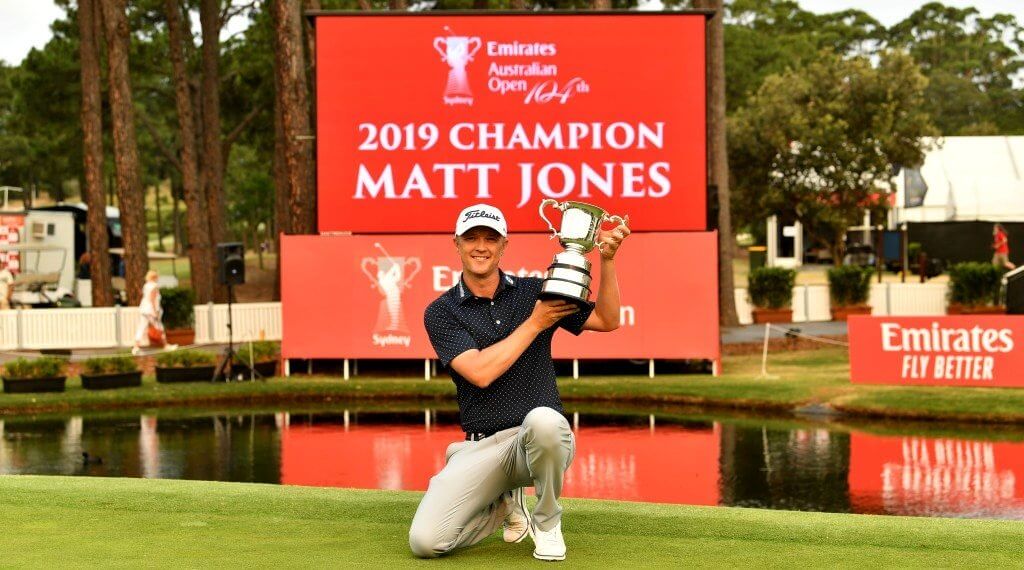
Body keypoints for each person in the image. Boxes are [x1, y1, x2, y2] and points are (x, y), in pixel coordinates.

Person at [409, 203, 629, 562]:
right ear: (457, 244)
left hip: (537, 442)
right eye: (472, 238)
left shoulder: (534, 292)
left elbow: (607, 319)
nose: (481, 246)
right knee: (426, 542)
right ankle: (502, 507)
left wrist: (607, 260)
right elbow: (480, 373)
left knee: (544, 420)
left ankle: (547, 522)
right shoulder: (442, 311)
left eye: (490, 238)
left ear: (504, 245)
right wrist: (536, 323)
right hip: (484, 448)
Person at [131, 270, 177, 355]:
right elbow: (152, 300)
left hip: (144, 309)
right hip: (150, 310)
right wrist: (155, 312)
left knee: (141, 327)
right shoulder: (154, 286)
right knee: (159, 327)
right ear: (154, 277)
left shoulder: (146, 285)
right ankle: (166, 345)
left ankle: (135, 347)